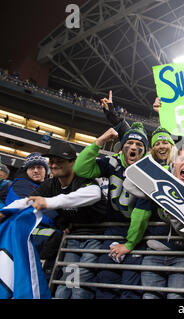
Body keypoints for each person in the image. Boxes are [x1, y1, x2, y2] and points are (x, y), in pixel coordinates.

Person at [3, 141, 105, 299]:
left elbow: (94, 194)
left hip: (96, 237)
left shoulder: (83, 179)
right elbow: (29, 200)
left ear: (73, 163)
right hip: (73, 238)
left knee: (81, 280)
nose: (54, 165)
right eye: (52, 161)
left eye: (60, 161)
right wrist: (4, 212)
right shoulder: (50, 184)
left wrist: (49, 202)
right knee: (66, 281)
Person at [73, 122, 152, 299]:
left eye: (139, 145)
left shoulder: (148, 173)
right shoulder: (113, 162)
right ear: (122, 147)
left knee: (130, 286)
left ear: (145, 151)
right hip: (112, 232)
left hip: (137, 238)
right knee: (105, 280)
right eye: (129, 143)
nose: (133, 147)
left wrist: (130, 244)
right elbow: (80, 169)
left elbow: (142, 213)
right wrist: (99, 141)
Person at [128, 143, 184, 299]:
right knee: (150, 297)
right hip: (154, 253)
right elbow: (129, 182)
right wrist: (156, 184)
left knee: (176, 298)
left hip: (183, 256)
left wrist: (168, 201)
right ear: (174, 162)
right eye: (183, 158)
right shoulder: (159, 178)